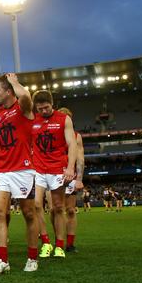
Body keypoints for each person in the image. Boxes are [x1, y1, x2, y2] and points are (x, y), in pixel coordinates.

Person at [0, 73, 38, 274]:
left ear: (9, 91)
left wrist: (15, 81)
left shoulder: (23, 108)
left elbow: (25, 97)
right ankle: (2, 261)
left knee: (29, 213)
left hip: (23, 169)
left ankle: (32, 258)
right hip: (2, 171)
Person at [31, 91, 77, 259]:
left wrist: (70, 168)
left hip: (57, 168)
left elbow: (72, 144)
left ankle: (59, 245)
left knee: (57, 207)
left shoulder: (64, 119)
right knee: (36, 205)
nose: (43, 111)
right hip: (37, 168)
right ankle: (46, 242)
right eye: (40, 108)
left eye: (46, 107)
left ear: (52, 104)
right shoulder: (32, 120)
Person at [57, 107, 84, 253]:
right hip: (53, 174)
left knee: (70, 210)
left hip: (70, 176)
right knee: (56, 210)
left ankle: (70, 244)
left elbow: (80, 158)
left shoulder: (75, 136)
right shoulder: (49, 133)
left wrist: (79, 178)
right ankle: (58, 241)